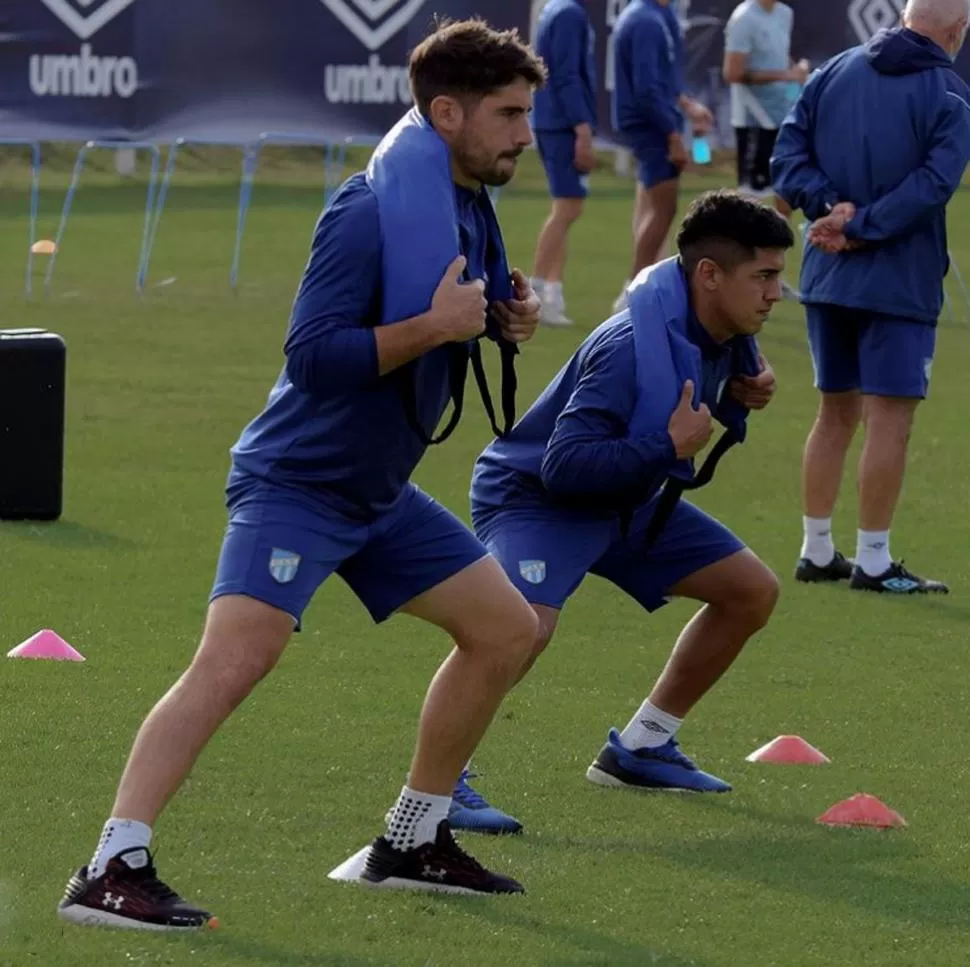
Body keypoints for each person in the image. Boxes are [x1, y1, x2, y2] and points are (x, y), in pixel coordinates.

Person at [57, 19, 548, 929]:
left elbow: (452, 310)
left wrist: (497, 319)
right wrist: (435, 329)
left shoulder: (468, 204)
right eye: (510, 114)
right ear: (447, 113)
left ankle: (411, 838)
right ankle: (109, 869)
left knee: (506, 630)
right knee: (235, 661)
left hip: (379, 493)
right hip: (298, 484)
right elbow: (315, 355)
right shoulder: (364, 212)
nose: (527, 133)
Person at [469, 190, 792, 796]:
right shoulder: (628, 348)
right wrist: (666, 447)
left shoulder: (716, 329)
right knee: (521, 628)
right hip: (536, 498)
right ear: (709, 274)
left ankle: (643, 747)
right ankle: (440, 783)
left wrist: (743, 390)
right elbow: (563, 466)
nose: (777, 293)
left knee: (750, 592)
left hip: (624, 498)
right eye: (764, 277)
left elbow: (703, 383)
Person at [771, 0, 970, 594]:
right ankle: (874, 561)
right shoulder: (949, 95)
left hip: (827, 272)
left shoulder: (832, 71)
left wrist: (828, 209)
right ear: (958, 31)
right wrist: (860, 225)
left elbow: (787, 158)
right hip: (898, 280)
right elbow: (933, 186)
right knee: (890, 419)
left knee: (834, 413)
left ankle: (815, 548)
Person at [611, 0, 715, 314]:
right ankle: (633, 293)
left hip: (654, 122)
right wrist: (672, 135)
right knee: (663, 209)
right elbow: (646, 89)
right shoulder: (646, 21)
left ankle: (646, 286)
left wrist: (687, 106)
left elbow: (664, 77)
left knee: (650, 204)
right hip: (651, 126)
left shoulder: (656, 15)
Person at [530, 0, 598, 329]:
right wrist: (581, 126)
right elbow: (566, 74)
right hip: (562, 123)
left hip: (553, 120)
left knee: (566, 207)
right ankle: (535, 291)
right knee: (568, 208)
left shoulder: (556, 9)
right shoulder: (570, 13)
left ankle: (552, 293)